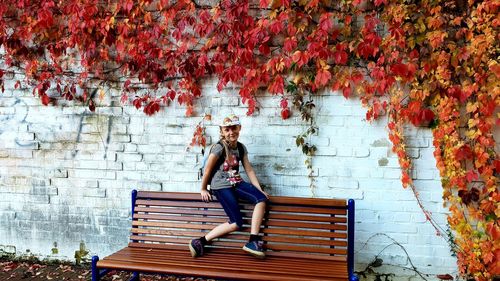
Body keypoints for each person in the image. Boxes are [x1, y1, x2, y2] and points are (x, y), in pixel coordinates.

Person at [189, 114, 269, 259]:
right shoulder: (219, 148)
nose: (231, 132)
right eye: (227, 129)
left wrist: (258, 189)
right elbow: (207, 170)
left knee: (261, 199)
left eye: (234, 128)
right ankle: (199, 242)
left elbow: (249, 169)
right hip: (220, 186)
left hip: (236, 182)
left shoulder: (240, 147)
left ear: (239, 128)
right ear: (222, 131)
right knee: (236, 223)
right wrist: (203, 188)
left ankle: (252, 240)